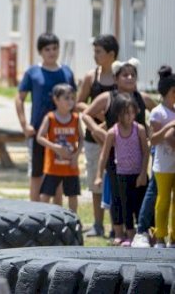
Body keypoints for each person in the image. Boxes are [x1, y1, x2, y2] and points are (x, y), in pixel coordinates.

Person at [83, 59, 156, 245]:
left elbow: (158, 114)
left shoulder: (143, 98)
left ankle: (141, 231)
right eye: (125, 75)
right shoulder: (108, 97)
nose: (130, 78)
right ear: (116, 78)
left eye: (133, 75)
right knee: (117, 195)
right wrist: (96, 130)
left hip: (137, 158)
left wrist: (152, 133)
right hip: (115, 156)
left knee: (138, 195)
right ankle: (118, 232)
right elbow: (86, 114)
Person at [15, 33, 76, 202]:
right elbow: (19, 98)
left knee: (59, 174)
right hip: (39, 132)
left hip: (62, 132)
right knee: (37, 173)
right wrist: (24, 125)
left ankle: (57, 215)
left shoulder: (66, 72)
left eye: (55, 48)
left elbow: (74, 101)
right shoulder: (33, 72)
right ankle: (34, 212)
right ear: (40, 52)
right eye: (47, 49)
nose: (52, 52)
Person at [76, 34, 118, 237]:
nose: (95, 56)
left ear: (111, 54)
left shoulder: (121, 77)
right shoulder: (90, 77)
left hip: (117, 139)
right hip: (93, 137)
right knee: (95, 180)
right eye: (94, 51)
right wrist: (97, 111)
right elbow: (78, 102)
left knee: (117, 180)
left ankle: (116, 225)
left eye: (99, 52)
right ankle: (98, 224)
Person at [95, 93, 149, 246]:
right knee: (125, 207)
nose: (129, 116)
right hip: (122, 175)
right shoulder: (113, 132)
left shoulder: (139, 129)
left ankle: (143, 234)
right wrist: (98, 175)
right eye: (126, 113)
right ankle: (130, 235)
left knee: (140, 206)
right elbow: (104, 155)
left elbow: (146, 153)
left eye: (132, 112)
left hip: (138, 174)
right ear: (118, 113)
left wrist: (143, 173)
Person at [36, 84, 83, 213]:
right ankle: (42, 217)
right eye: (66, 98)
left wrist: (76, 155)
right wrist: (54, 147)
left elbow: (81, 139)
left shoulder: (76, 118)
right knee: (46, 194)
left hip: (70, 166)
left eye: (72, 98)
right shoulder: (50, 118)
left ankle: (73, 219)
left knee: (72, 195)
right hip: (53, 166)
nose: (70, 101)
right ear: (56, 100)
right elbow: (39, 137)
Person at [149, 66, 175, 248]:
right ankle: (160, 236)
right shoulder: (158, 112)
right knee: (163, 200)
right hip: (163, 165)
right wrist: (168, 127)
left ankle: (173, 237)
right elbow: (153, 139)